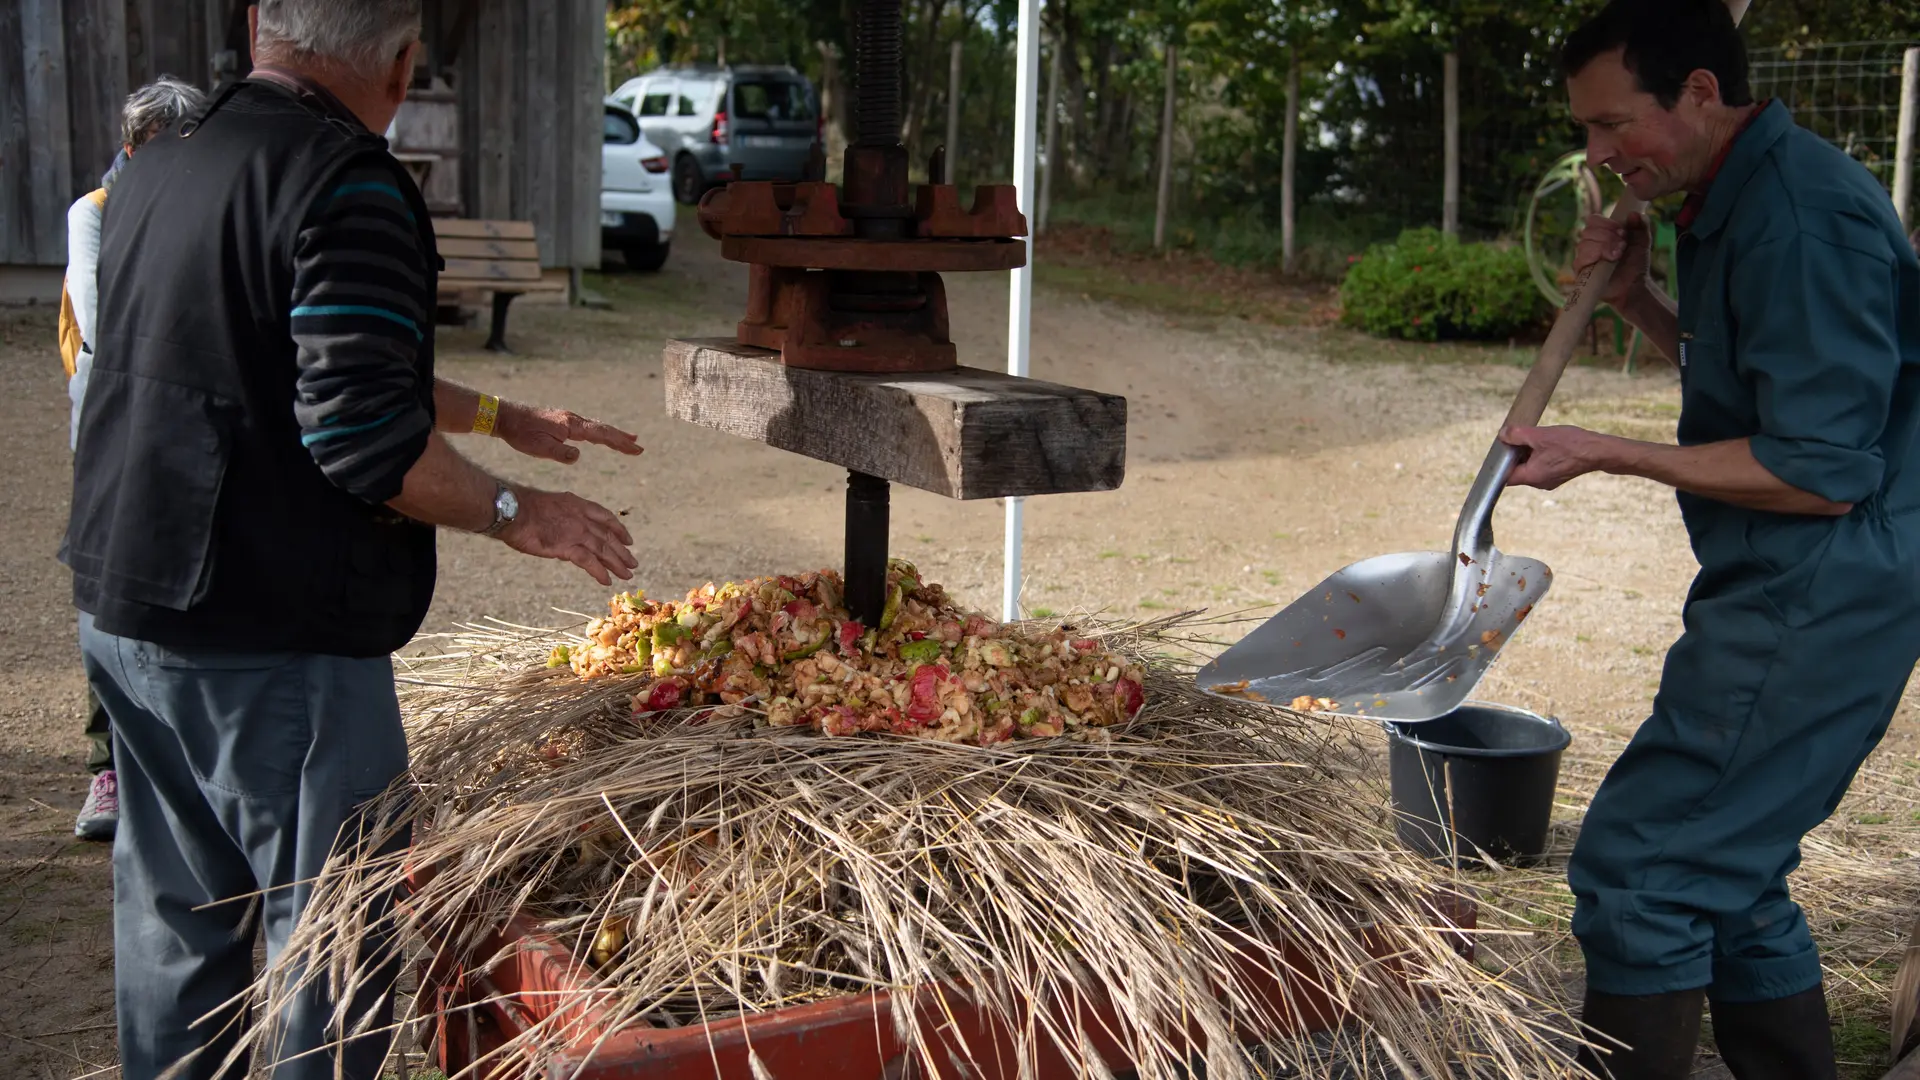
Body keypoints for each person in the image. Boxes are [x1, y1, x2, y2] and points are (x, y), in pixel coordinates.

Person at [64, 1, 643, 1077]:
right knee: (330, 946)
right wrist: (519, 511)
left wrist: (502, 418)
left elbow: (292, 360)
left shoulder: (165, 159)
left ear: (258, 25)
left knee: (178, 928)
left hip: (128, 607)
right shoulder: (346, 181)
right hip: (265, 637)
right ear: (402, 63)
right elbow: (364, 436)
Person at [1499, 1, 1920, 1077]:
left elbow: (1820, 473)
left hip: (1824, 586)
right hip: (1790, 571)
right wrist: (1639, 297)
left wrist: (1607, 450)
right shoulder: (1732, 196)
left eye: (1611, 123)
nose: (1599, 154)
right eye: (1587, 129)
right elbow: (1754, 384)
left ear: (1698, 91)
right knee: (1729, 873)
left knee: (1644, 868)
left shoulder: (1801, 218)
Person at [60, 76, 209, 843]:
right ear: (131, 146)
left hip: (190, 424)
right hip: (113, 428)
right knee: (108, 590)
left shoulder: (204, 210)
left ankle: (185, 760)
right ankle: (107, 768)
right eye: (159, 147)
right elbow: (101, 319)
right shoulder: (95, 212)